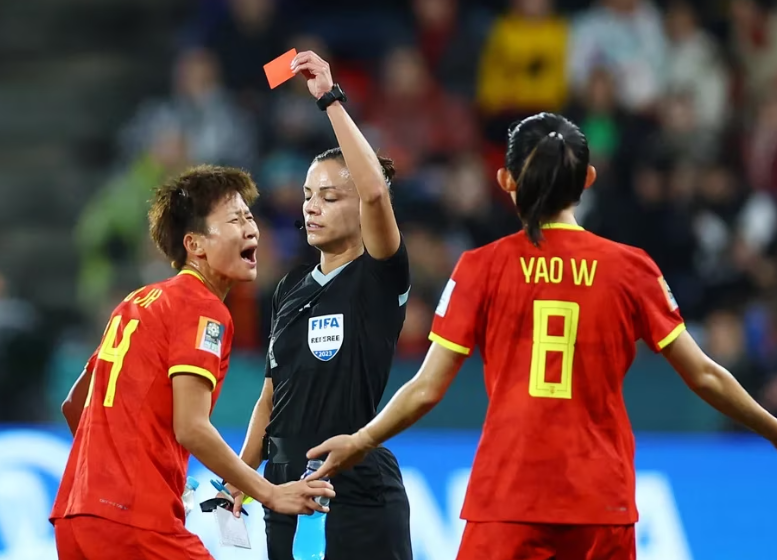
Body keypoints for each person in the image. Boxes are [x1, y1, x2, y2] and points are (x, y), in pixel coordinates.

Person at [307, 113, 777, 560]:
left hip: (508, 497)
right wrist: (772, 430)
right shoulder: (632, 269)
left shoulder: (481, 268)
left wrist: (362, 440)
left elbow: (427, 388)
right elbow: (705, 376)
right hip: (601, 500)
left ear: (505, 181)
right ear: (587, 179)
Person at [50, 165, 334, 560]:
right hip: (135, 520)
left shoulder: (136, 302)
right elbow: (191, 427)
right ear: (195, 245)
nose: (252, 229)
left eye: (250, 217)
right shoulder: (202, 308)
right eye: (235, 219)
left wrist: (131, 471)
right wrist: (268, 493)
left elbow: (74, 406)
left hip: (76, 516)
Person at [224, 51, 412, 560]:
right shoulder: (289, 290)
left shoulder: (378, 275)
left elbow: (375, 193)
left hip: (353, 486)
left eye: (329, 196)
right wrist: (241, 480)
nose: (311, 206)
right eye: (308, 195)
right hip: (283, 490)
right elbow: (270, 399)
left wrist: (329, 98)